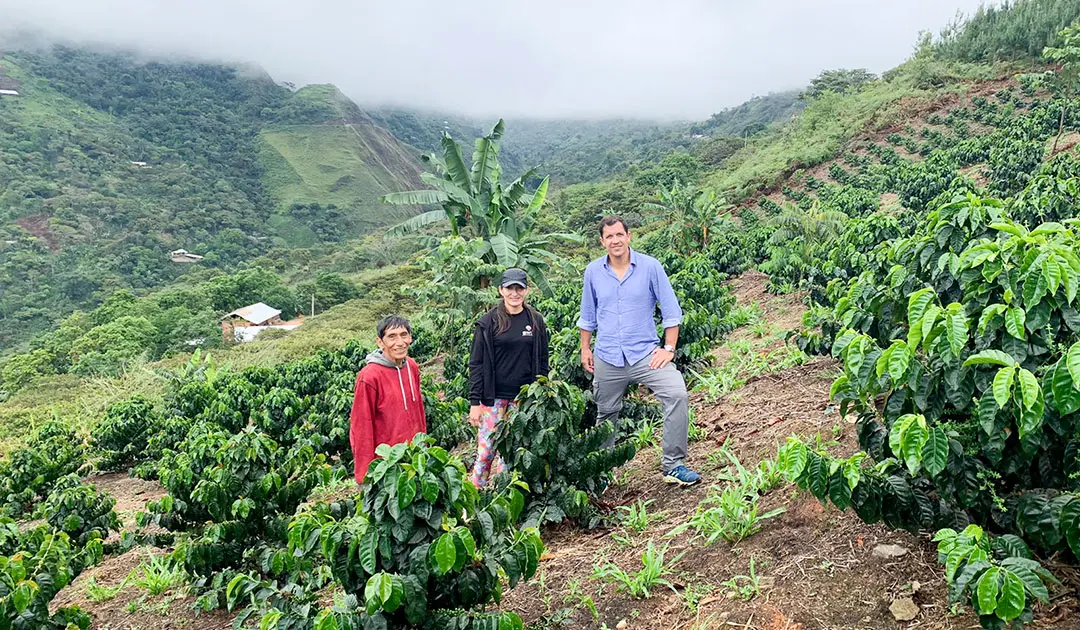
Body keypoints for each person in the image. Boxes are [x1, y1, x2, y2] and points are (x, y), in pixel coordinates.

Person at [577, 215, 700, 486]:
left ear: (628, 236)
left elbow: (671, 311)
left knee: (676, 394)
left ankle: (673, 465)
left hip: (645, 354)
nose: (615, 240)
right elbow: (587, 315)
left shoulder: (650, 267)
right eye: (609, 236)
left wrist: (669, 348)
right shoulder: (593, 272)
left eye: (619, 234)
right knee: (606, 413)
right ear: (602, 241)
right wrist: (585, 348)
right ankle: (603, 474)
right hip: (607, 356)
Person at [467, 268, 550, 487]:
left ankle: (503, 496)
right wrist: (475, 403)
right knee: (486, 451)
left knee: (510, 453)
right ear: (501, 290)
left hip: (522, 398)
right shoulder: (488, 323)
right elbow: (476, 364)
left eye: (519, 288)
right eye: (509, 288)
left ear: (527, 290)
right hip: (492, 398)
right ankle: (475, 496)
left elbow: (543, 359)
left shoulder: (535, 321)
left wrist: (540, 392)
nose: (515, 293)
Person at [349, 315, 427, 483]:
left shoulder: (411, 366)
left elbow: (418, 410)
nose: (400, 342)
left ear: (410, 338)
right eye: (392, 337)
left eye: (404, 335)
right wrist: (364, 474)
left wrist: (423, 447)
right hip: (387, 464)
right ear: (380, 342)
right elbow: (361, 425)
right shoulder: (369, 377)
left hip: (414, 457)